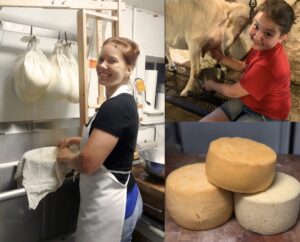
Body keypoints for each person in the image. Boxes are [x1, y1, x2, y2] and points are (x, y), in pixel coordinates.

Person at [56, 37, 142, 242]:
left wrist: (67, 156)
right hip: (114, 198)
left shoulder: (116, 107)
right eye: (101, 59)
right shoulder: (118, 100)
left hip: (113, 206)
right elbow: (109, 140)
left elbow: (87, 163)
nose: (102, 65)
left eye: (112, 61)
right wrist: (77, 140)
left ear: (129, 69)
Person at [200, 0, 295, 122]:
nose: (257, 36)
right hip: (248, 97)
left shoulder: (268, 65)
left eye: (268, 34)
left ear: (282, 37)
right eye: (256, 26)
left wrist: (211, 85)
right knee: (205, 123)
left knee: (235, 139)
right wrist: (221, 57)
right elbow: (245, 66)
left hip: (266, 113)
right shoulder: (263, 47)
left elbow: (234, 92)